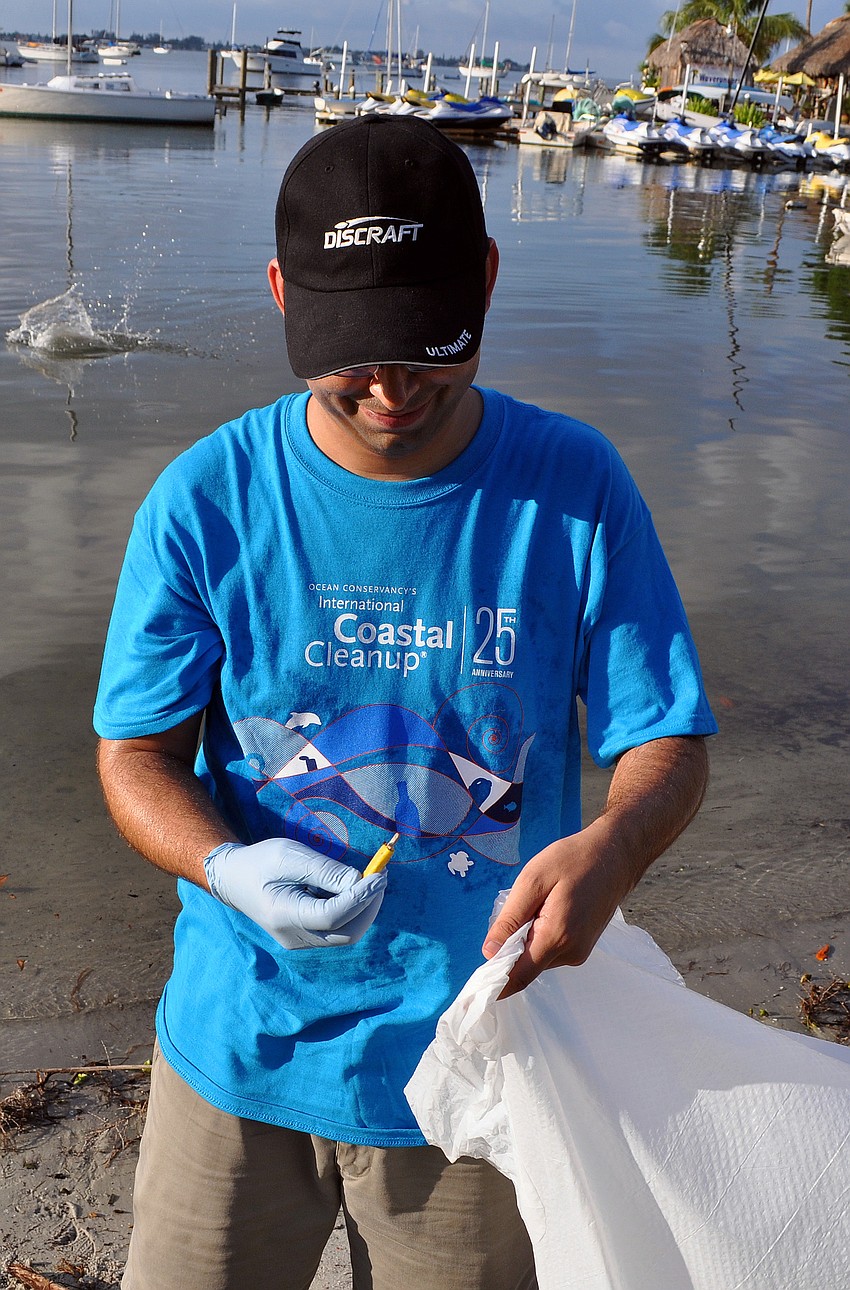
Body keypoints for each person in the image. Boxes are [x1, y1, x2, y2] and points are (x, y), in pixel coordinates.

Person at [94, 113, 717, 1290]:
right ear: (282, 293)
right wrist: (224, 866)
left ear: (484, 278)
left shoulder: (574, 489)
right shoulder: (205, 502)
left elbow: (665, 737)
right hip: (238, 1045)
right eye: (349, 350)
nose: (388, 387)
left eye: (426, 342)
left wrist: (615, 849)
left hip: (482, 1058)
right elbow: (135, 762)